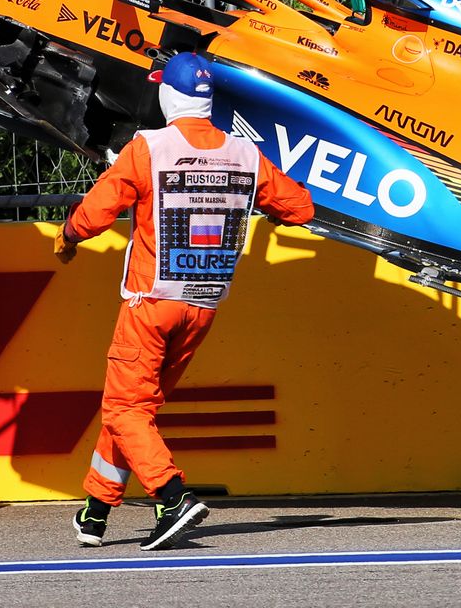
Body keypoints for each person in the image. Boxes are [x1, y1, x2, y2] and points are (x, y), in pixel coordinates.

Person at [55, 52, 315, 551]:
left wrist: (68, 235)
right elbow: (300, 207)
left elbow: (97, 211)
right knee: (135, 410)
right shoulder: (244, 154)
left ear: (166, 95)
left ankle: (173, 498)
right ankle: (95, 513)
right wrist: (271, 212)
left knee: (125, 408)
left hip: (151, 301)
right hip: (203, 305)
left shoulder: (149, 148)